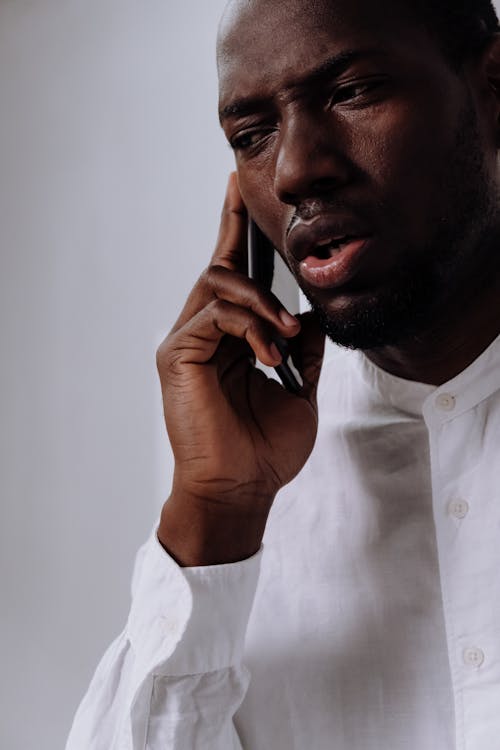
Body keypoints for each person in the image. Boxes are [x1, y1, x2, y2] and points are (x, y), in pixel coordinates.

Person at [66, 0, 500, 748]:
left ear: (492, 90)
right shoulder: (241, 464)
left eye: (353, 91)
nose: (297, 170)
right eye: (252, 136)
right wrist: (217, 516)